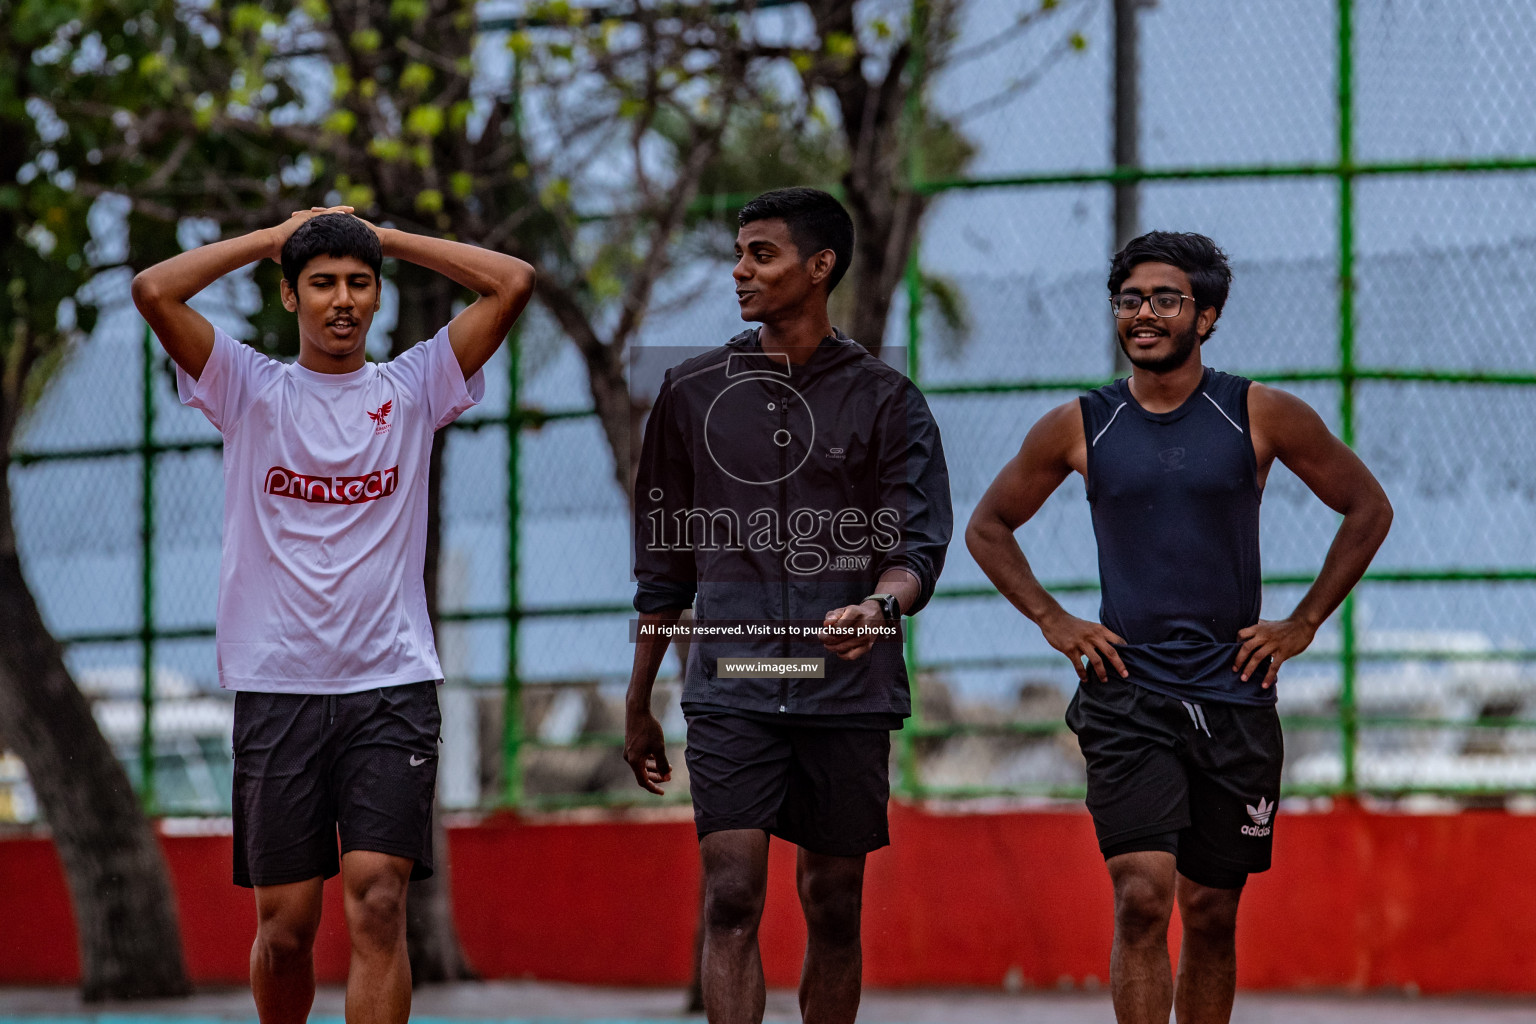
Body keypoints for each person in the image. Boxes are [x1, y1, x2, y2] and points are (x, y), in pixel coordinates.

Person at [965, 231, 1392, 1024]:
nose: (1144, 314)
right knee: (1140, 896)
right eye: (1129, 300)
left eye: (1166, 299)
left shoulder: (1257, 412)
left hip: (1234, 696)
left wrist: (1301, 623)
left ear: (1209, 316)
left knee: (1209, 913)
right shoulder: (1078, 424)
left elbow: (1368, 509)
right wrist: (1055, 620)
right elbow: (988, 527)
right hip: (1127, 694)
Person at [131, 208, 533, 1024]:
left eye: (358, 282)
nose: (342, 300)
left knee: (378, 901)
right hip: (276, 688)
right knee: (285, 931)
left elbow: (512, 281)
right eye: (321, 283)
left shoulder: (415, 385)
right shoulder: (247, 387)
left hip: (391, 685)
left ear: (378, 296)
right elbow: (153, 290)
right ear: (290, 296)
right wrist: (273, 234)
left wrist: (386, 235)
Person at [624, 187, 952, 1024]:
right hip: (731, 687)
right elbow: (663, 566)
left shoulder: (888, 401)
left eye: (760, 255)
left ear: (819, 267)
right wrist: (640, 698)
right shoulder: (691, 394)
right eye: (739, 253)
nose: (740, 271)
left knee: (834, 901)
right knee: (731, 894)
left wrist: (879, 608)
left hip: (845, 691)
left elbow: (915, 549)